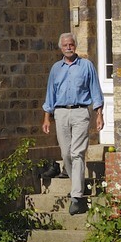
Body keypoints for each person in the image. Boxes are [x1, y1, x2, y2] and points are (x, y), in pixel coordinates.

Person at [41, 32, 104, 214]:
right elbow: (50, 95)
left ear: (75, 46)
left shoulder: (86, 66)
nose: (68, 47)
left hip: (80, 112)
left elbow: (96, 92)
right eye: (65, 45)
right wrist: (47, 117)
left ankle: (76, 196)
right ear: (61, 48)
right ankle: (74, 177)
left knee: (77, 153)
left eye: (71, 44)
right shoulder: (56, 69)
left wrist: (99, 114)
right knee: (65, 152)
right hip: (61, 113)